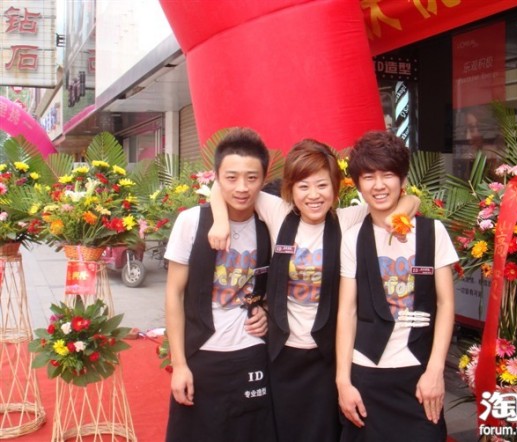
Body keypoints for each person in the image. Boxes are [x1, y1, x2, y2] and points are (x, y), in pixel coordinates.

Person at [208, 139, 420, 442]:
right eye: (303, 186)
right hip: (282, 353)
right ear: (290, 189)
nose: (313, 195)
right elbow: (222, 186)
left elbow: (408, 199)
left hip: (326, 355)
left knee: (324, 431)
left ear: (335, 187)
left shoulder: (347, 219)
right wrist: (219, 221)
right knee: (283, 430)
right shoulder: (279, 213)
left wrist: (399, 216)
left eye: (322, 185)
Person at [336, 130, 458, 442]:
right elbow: (347, 312)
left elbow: (445, 304)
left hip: (419, 375)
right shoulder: (352, 238)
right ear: (358, 184)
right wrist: (343, 382)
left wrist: (435, 371)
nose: (378, 185)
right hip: (366, 374)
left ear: (402, 178)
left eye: (387, 175)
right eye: (368, 177)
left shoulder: (432, 233)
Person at [164, 127, 276, 442]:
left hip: (252, 351)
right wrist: (179, 364)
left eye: (251, 178)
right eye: (231, 177)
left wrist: (266, 309)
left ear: (263, 179)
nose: (242, 187)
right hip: (202, 352)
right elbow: (174, 294)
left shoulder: (271, 222)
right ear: (217, 177)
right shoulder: (191, 222)